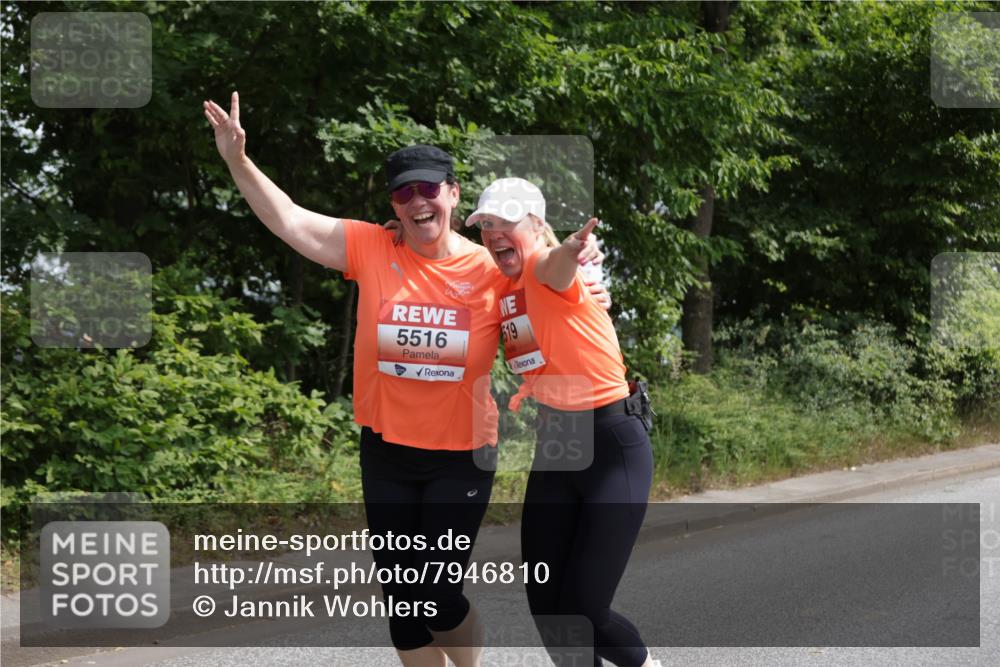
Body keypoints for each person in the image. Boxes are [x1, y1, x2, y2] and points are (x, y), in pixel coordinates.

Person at [202, 93, 607, 667]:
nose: (417, 201)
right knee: (402, 600)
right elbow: (289, 219)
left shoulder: (490, 270)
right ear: (393, 202)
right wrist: (237, 159)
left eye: (428, 189)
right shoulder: (372, 247)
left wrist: (590, 286)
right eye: (404, 192)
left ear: (452, 195)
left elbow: (551, 282)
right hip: (387, 452)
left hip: (461, 455)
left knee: (437, 597)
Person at [468, 178, 658, 667]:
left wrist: (573, 250)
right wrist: (400, 235)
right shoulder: (502, 283)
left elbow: (554, 267)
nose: (493, 233)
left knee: (584, 608)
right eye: (486, 224)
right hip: (557, 444)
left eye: (505, 223)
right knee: (548, 604)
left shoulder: (541, 267)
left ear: (535, 225)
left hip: (611, 441)